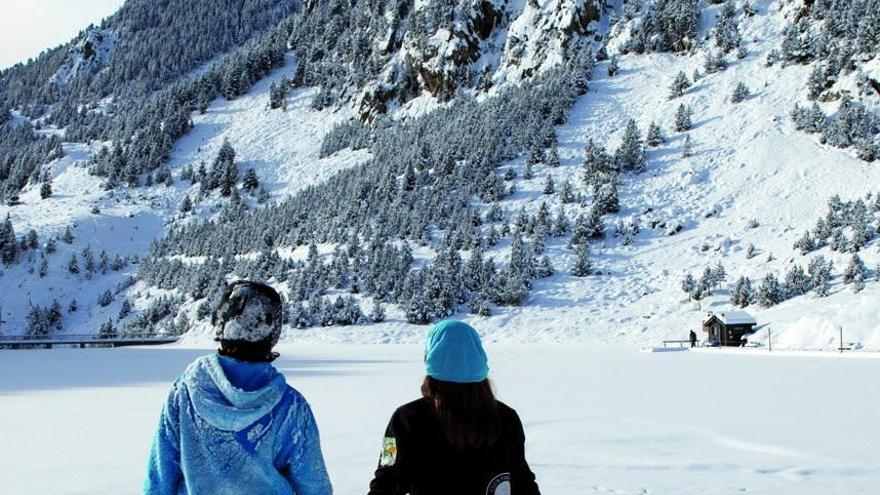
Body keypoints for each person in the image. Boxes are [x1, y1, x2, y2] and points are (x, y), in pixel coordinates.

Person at [144, 280, 332, 495]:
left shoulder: (185, 392)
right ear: (272, 331)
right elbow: (313, 484)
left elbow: (159, 477)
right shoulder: (291, 405)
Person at [368, 319, 540, 495]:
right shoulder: (506, 418)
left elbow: (385, 480)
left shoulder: (405, 419)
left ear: (429, 360)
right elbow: (522, 483)